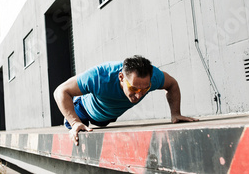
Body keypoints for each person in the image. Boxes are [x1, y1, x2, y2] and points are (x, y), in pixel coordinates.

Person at [53, 55, 198, 145]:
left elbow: (172, 84)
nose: (139, 95)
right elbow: (60, 91)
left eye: (145, 90)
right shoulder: (99, 76)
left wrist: (176, 113)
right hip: (84, 111)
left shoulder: (154, 77)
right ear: (121, 77)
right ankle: (70, 120)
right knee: (80, 129)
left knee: (103, 122)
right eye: (134, 89)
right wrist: (74, 122)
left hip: (108, 117)